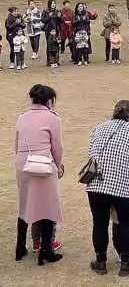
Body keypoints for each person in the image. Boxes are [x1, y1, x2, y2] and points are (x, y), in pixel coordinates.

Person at [86, 100, 129, 277]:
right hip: (124, 185)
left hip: (96, 184)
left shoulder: (99, 127)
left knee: (99, 223)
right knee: (126, 223)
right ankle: (126, 262)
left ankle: (100, 261)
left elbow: (92, 154)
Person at [15, 84, 64, 266]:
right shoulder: (53, 118)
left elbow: (16, 143)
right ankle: (46, 249)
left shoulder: (22, 117)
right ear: (49, 100)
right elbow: (57, 146)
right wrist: (58, 165)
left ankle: (20, 247)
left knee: (24, 205)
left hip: (23, 163)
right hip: (42, 165)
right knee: (48, 206)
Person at [41, 0, 62, 65]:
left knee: (56, 44)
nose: (53, 4)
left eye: (54, 3)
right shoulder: (46, 11)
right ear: (49, 4)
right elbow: (43, 20)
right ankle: (49, 60)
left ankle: (56, 60)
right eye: (52, 3)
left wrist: (59, 17)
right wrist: (48, 17)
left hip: (56, 30)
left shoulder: (57, 11)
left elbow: (61, 21)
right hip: (48, 30)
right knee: (49, 45)